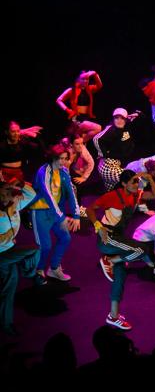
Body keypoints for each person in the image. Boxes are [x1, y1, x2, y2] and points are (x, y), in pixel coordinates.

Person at [87, 169, 155, 331]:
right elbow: (90, 209)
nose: (137, 184)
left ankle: (113, 316)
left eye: (137, 181)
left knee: (120, 277)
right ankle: (110, 260)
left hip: (119, 239)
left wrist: (149, 178)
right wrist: (98, 226)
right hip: (108, 238)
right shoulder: (112, 196)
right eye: (133, 181)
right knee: (142, 250)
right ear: (123, 183)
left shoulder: (136, 195)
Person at [29, 144, 81, 284]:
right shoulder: (43, 171)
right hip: (40, 212)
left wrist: (76, 216)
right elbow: (48, 195)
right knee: (45, 246)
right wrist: (62, 217)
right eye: (60, 158)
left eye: (65, 158)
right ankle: (38, 271)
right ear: (53, 158)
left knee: (65, 238)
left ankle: (54, 268)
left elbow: (71, 194)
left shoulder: (63, 171)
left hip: (55, 213)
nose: (62, 162)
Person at [0, 178, 38, 335]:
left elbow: (32, 193)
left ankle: (6, 324)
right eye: (17, 197)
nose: (20, 198)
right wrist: (7, 236)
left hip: (10, 250)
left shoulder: (16, 207)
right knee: (34, 250)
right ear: (8, 201)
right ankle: (29, 273)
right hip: (2, 255)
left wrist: (17, 184)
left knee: (9, 288)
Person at [92, 107, 141, 191]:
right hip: (108, 167)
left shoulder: (126, 124)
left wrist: (138, 113)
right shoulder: (111, 129)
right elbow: (96, 139)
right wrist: (103, 153)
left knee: (112, 191)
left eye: (122, 118)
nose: (119, 120)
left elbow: (139, 116)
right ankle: (139, 202)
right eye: (116, 118)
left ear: (126, 119)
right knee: (136, 180)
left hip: (116, 164)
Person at [56, 70, 103, 142]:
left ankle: (79, 142)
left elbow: (99, 85)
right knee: (97, 128)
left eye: (87, 79)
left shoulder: (89, 89)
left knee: (77, 142)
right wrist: (67, 110)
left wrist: (95, 74)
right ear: (78, 79)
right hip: (76, 119)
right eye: (83, 79)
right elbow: (59, 100)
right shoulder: (72, 90)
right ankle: (79, 142)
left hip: (85, 117)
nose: (85, 81)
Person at [60, 133, 94, 214]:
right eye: (77, 144)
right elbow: (62, 170)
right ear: (71, 145)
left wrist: (84, 177)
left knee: (78, 183)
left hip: (71, 169)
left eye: (82, 143)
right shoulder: (66, 152)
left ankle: (77, 208)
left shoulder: (82, 149)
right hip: (59, 171)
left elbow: (91, 163)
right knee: (71, 188)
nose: (80, 146)